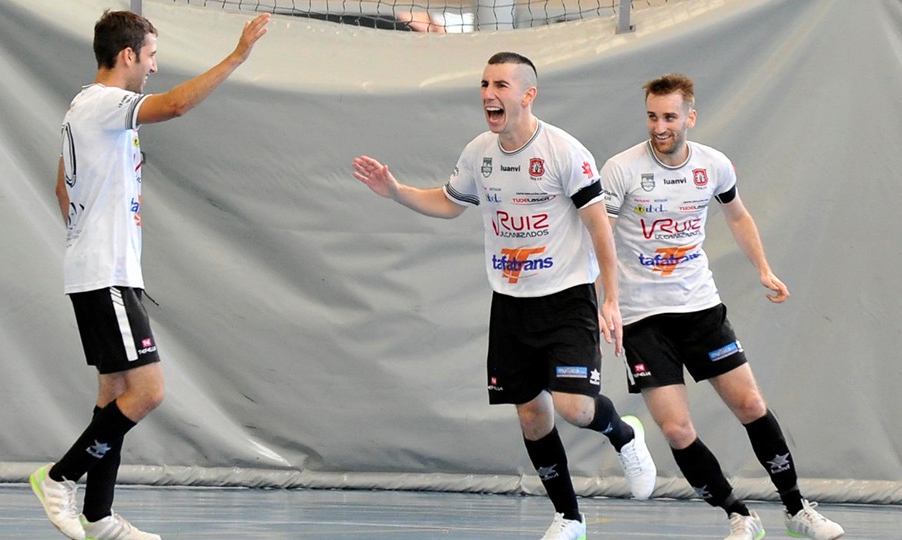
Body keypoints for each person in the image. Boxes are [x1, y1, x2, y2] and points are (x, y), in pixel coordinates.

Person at [352, 51, 656, 540]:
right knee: (533, 415)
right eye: (484, 84)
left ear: (527, 95)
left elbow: (600, 228)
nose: (489, 94)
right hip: (511, 303)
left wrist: (611, 299)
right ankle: (569, 518)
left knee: (575, 407)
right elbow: (450, 204)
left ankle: (623, 433)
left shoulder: (563, 151)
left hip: (566, 297)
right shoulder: (480, 153)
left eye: (501, 85)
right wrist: (395, 191)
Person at [30, 10, 271, 540]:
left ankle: (98, 517)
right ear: (128, 56)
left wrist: (89, 237)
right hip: (106, 272)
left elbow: (61, 191)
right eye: (152, 57)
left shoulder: (81, 108)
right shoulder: (107, 103)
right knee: (149, 390)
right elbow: (179, 105)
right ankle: (58, 477)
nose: (155, 68)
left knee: (113, 391)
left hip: (101, 268)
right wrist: (238, 55)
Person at [600, 73, 844, 540]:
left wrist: (764, 269)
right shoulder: (621, 169)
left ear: (690, 117)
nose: (660, 126)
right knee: (676, 430)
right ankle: (737, 513)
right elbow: (600, 238)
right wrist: (608, 299)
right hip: (643, 318)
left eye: (670, 117)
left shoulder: (713, 166)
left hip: (700, 308)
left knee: (751, 403)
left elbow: (737, 214)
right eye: (652, 116)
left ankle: (797, 510)